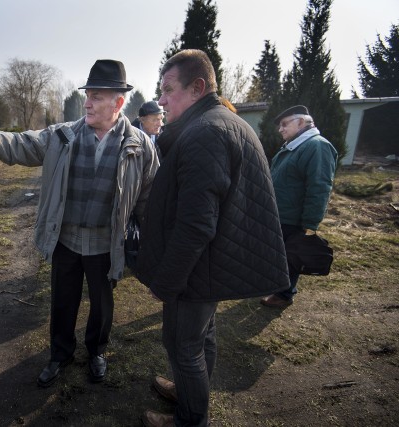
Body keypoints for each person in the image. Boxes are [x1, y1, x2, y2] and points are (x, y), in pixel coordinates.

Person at [0, 60, 160, 386]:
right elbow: (17, 144)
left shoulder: (140, 146)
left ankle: (96, 351)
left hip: (106, 243)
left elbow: (150, 198)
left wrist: (151, 243)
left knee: (102, 305)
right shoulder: (62, 136)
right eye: (87, 95)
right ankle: (60, 354)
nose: (88, 102)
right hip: (64, 239)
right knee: (62, 302)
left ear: (119, 103)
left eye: (96, 96)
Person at [135, 49, 290, 427]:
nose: (162, 100)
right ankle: (188, 392)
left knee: (183, 344)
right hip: (212, 264)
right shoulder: (222, 122)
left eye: (168, 90)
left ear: (198, 87)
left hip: (198, 268)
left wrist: (166, 282)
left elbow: (196, 224)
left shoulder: (207, 133)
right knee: (202, 337)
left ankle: (190, 419)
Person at [260, 105, 338, 308]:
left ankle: (285, 294)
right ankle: (277, 287)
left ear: (301, 122)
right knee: (280, 255)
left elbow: (320, 187)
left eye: (285, 124)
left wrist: (310, 224)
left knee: (292, 255)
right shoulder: (294, 146)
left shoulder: (317, 147)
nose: (280, 129)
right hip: (280, 215)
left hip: (293, 219)